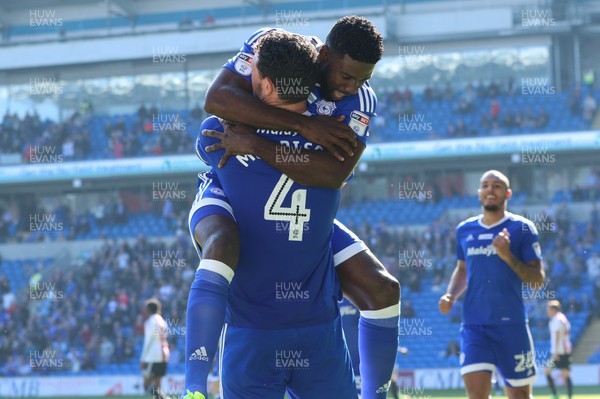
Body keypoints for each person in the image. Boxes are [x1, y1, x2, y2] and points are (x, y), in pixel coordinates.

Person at [185, 16, 399, 399]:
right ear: (324, 54)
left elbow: (332, 174)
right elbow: (215, 100)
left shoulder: (360, 101)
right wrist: (303, 127)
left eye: (362, 79)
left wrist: (257, 142)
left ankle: (377, 394)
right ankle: (193, 388)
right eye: (347, 75)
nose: (352, 86)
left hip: (306, 209)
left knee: (382, 289)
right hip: (242, 202)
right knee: (221, 246)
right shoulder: (273, 48)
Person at [438, 170, 545, 399]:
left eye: (496, 186)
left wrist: (507, 256)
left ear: (507, 193)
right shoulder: (464, 230)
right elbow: (463, 269)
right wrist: (451, 295)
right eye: (485, 185)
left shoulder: (523, 229)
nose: (490, 190)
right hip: (474, 327)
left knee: (519, 397)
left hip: (512, 326)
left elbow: (537, 280)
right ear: (479, 193)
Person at [140, 298, 170, 399]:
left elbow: (148, 341)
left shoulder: (150, 322)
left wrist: (143, 359)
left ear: (149, 310)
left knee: (146, 385)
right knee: (157, 387)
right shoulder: (162, 320)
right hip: (164, 355)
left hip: (153, 356)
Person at [545, 300, 573, 399]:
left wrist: (555, 352)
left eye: (548, 309)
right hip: (565, 350)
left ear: (553, 309)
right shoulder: (562, 318)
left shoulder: (556, 319)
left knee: (548, 370)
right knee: (564, 373)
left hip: (560, 351)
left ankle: (556, 395)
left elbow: (557, 336)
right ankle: (567, 396)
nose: (547, 311)